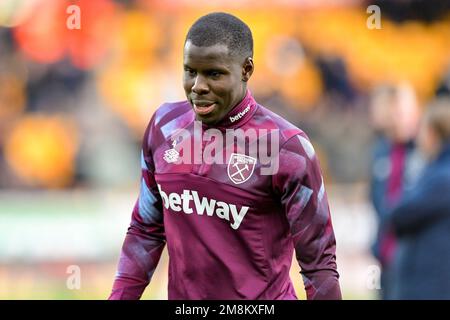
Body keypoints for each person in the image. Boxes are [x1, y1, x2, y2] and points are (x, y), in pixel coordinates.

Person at [109, 12, 341, 300]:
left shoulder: (286, 147)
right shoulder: (164, 126)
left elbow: (318, 264)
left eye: (213, 73)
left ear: (246, 69)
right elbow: (146, 230)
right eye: (190, 71)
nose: (198, 86)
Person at [389, 98, 450, 299]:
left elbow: (399, 214)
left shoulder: (442, 176)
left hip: (431, 284)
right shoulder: (433, 170)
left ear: (434, 133)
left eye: (422, 129)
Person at [368, 83, 423, 299]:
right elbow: (376, 198)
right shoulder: (381, 150)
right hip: (385, 256)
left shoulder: (425, 150)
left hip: (415, 259)